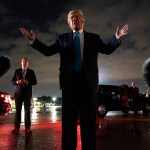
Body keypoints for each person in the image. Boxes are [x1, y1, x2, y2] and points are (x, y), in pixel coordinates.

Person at [19, 10, 128, 150]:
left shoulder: (94, 38)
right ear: (69, 22)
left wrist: (116, 38)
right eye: (71, 17)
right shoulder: (62, 39)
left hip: (88, 87)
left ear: (83, 20)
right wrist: (33, 40)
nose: (74, 19)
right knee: (68, 124)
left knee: (88, 123)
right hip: (69, 86)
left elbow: (106, 49)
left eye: (77, 16)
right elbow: (47, 51)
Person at [11, 57, 37, 134]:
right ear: (21, 62)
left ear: (27, 63)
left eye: (26, 61)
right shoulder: (17, 71)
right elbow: (12, 81)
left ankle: (27, 128)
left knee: (27, 111)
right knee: (18, 111)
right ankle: (16, 128)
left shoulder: (31, 71)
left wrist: (28, 82)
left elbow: (35, 82)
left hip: (27, 94)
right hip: (18, 93)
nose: (24, 63)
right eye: (23, 61)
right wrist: (17, 81)